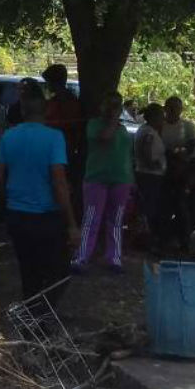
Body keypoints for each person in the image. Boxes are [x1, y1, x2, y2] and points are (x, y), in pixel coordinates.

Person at [0, 88, 79, 303]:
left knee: (28, 270)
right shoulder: (54, 138)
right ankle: (41, 315)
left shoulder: (8, 136)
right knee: (59, 272)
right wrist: (71, 222)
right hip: (46, 214)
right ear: (46, 110)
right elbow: (59, 179)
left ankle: (31, 315)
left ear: (22, 111)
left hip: (17, 213)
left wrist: (7, 203)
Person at [73, 91, 133, 273]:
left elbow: (126, 156)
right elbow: (105, 137)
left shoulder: (123, 130)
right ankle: (81, 257)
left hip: (121, 180)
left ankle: (113, 258)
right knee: (91, 218)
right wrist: (113, 118)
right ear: (102, 107)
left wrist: (132, 180)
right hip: (96, 179)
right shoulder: (94, 125)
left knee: (115, 220)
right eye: (110, 104)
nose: (113, 108)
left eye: (117, 105)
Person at [161, 96, 195, 248]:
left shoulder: (188, 127)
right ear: (166, 108)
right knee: (164, 207)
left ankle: (184, 241)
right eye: (171, 107)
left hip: (182, 174)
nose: (174, 111)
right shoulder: (160, 126)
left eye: (177, 107)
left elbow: (194, 149)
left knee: (182, 208)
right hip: (163, 172)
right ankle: (163, 239)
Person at [135, 103, 167, 250]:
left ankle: (143, 239)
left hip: (148, 175)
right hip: (149, 176)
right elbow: (147, 150)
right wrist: (153, 165)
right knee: (148, 208)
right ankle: (145, 241)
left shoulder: (148, 130)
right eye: (161, 115)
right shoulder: (148, 132)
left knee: (146, 207)